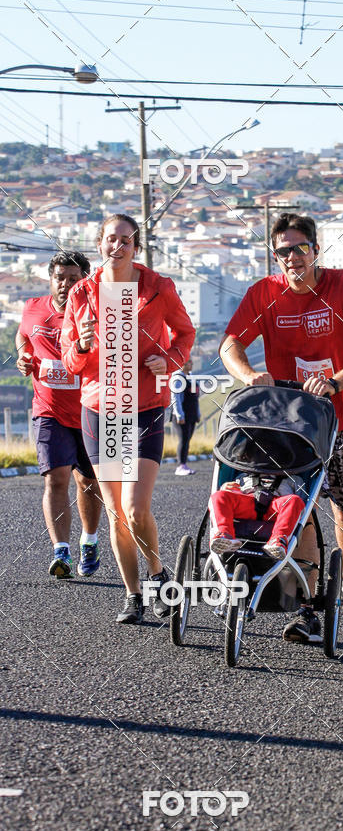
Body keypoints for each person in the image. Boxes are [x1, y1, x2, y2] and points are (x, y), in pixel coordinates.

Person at [219, 212, 343, 643]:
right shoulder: (265, 293)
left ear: (316, 249)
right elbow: (230, 344)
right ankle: (310, 608)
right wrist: (249, 375)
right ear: (275, 258)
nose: (292, 258)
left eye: (300, 248)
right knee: (300, 505)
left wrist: (336, 382)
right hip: (290, 421)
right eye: (283, 252)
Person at [61, 214, 195, 624]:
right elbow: (70, 362)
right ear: (99, 244)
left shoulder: (157, 287)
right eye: (109, 239)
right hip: (100, 411)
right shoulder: (83, 292)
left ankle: (157, 575)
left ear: (135, 247)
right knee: (117, 512)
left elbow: (185, 334)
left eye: (125, 240)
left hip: (145, 408)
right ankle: (133, 594)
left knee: (136, 509)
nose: (116, 246)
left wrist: (168, 361)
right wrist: (82, 345)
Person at [16, 251, 102, 579]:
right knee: (56, 478)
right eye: (60, 278)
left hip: (91, 409)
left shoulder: (96, 314)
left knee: (89, 483)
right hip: (49, 410)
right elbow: (23, 335)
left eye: (73, 278)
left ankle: (90, 539)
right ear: (50, 279)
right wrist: (23, 354)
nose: (66, 284)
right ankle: (61, 551)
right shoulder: (33, 308)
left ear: (85, 280)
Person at [209, 473, 305, 560]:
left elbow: (303, 508)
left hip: (277, 509)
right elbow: (232, 496)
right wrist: (225, 489)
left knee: (295, 501)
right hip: (248, 503)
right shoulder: (243, 477)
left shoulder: (294, 480)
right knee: (219, 496)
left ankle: (277, 540)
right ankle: (224, 534)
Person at [171, 359, 200, 476]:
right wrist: (179, 414)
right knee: (183, 440)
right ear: (182, 364)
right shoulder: (178, 378)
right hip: (182, 415)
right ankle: (180, 466)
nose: (192, 364)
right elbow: (175, 398)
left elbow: (195, 398)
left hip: (191, 415)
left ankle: (184, 464)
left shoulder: (191, 377)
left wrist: (197, 413)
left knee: (187, 440)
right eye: (189, 362)